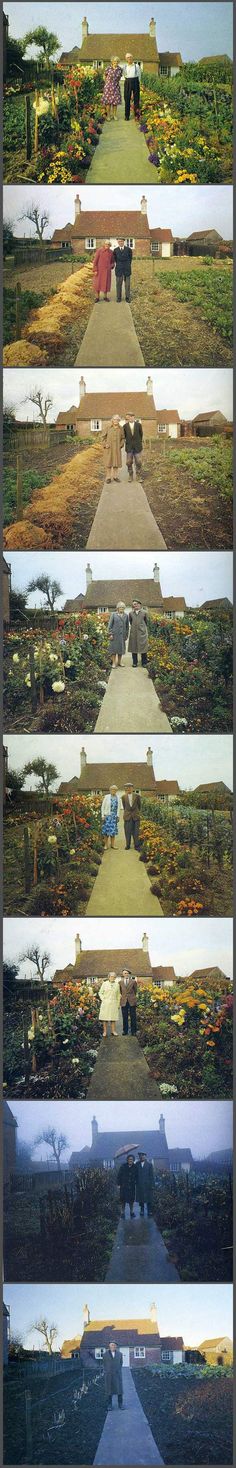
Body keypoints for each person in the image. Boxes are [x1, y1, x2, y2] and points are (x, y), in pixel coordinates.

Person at [98, 971, 121, 1038]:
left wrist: (118, 1004)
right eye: (111, 976)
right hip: (106, 1003)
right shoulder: (104, 984)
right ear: (109, 977)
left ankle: (113, 1031)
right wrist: (103, 999)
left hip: (114, 1003)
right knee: (104, 1018)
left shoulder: (117, 985)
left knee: (113, 1018)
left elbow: (118, 995)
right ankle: (105, 1031)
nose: (113, 978)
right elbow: (100, 993)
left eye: (114, 977)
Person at [102, 415, 124, 483]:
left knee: (116, 463)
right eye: (114, 419)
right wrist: (105, 444)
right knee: (109, 463)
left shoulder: (121, 428)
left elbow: (123, 438)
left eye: (117, 419)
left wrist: (120, 445)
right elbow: (103, 437)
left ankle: (115, 477)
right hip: (109, 449)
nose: (116, 421)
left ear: (119, 421)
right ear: (112, 420)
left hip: (117, 449)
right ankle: (108, 477)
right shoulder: (108, 428)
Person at [103, 1342, 123, 1410]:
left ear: (116, 1346)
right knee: (109, 1390)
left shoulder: (120, 1354)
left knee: (119, 1390)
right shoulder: (105, 1354)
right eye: (112, 1345)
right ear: (109, 1346)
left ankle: (120, 1404)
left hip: (117, 1375)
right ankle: (109, 1405)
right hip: (109, 1375)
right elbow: (104, 1364)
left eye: (114, 1345)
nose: (113, 1346)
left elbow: (121, 1363)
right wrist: (107, 1371)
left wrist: (118, 1370)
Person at [108, 603, 129, 667]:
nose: (121, 609)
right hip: (114, 635)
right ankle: (114, 663)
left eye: (123, 608)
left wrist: (126, 635)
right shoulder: (113, 614)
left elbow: (127, 626)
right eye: (120, 607)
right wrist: (110, 634)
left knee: (121, 649)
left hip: (122, 635)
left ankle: (119, 662)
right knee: (114, 650)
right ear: (117, 608)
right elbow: (110, 626)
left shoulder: (126, 615)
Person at [128, 601, 148, 667]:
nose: (135, 605)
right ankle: (135, 662)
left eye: (137, 604)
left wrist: (143, 629)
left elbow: (146, 622)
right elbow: (131, 621)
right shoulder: (130, 613)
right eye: (134, 604)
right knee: (134, 648)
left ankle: (144, 663)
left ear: (140, 605)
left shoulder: (144, 612)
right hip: (134, 633)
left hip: (142, 633)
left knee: (143, 648)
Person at [123, 415, 143, 479]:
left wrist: (138, 442)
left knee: (139, 461)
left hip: (137, 447)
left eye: (132, 417)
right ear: (127, 418)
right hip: (129, 447)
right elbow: (124, 436)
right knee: (128, 462)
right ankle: (130, 474)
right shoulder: (125, 426)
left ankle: (138, 475)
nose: (131, 418)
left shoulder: (138, 425)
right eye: (129, 417)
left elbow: (141, 434)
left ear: (134, 417)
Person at [135, 1152, 155, 1216]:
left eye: (143, 1155)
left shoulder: (149, 1165)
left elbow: (151, 1175)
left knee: (149, 1198)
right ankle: (142, 1210)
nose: (141, 1157)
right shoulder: (136, 1164)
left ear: (145, 1156)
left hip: (148, 1184)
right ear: (139, 1157)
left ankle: (149, 1211)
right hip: (139, 1184)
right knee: (141, 1198)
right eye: (140, 1155)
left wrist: (152, 1185)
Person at [122, 783, 141, 850]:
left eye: (130, 787)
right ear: (126, 789)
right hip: (127, 816)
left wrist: (136, 813)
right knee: (127, 831)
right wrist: (127, 813)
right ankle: (128, 845)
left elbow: (139, 806)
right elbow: (124, 807)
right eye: (127, 788)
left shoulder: (137, 796)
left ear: (133, 788)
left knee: (136, 832)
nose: (129, 789)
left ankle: (137, 846)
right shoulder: (123, 797)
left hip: (136, 816)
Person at [123, 54, 141, 120]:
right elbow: (124, 75)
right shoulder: (124, 66)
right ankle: (126, 115)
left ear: (132, 58)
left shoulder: (136, 66)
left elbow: (139, 75)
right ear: (126, 59)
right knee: (127, 98)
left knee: (136, 99)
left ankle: (136, 115)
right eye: (128, 57)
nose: (129, 58)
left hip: (135, 81)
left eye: (130, 57)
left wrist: (138, 83)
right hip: (127, 81)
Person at [119, 970, 137, 1034]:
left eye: (127, 973)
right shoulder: (120, 982)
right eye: (125, 973)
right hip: (124, 1001)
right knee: (124, 1017)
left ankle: (133, 1031)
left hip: (132, 1001)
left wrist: (131, 997)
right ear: (123, 974)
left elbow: (135, 991)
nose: (126, 974)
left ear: (129, 974)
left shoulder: (133, 982)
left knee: (133, 1016)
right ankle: (125, 1031)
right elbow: (121, 991)